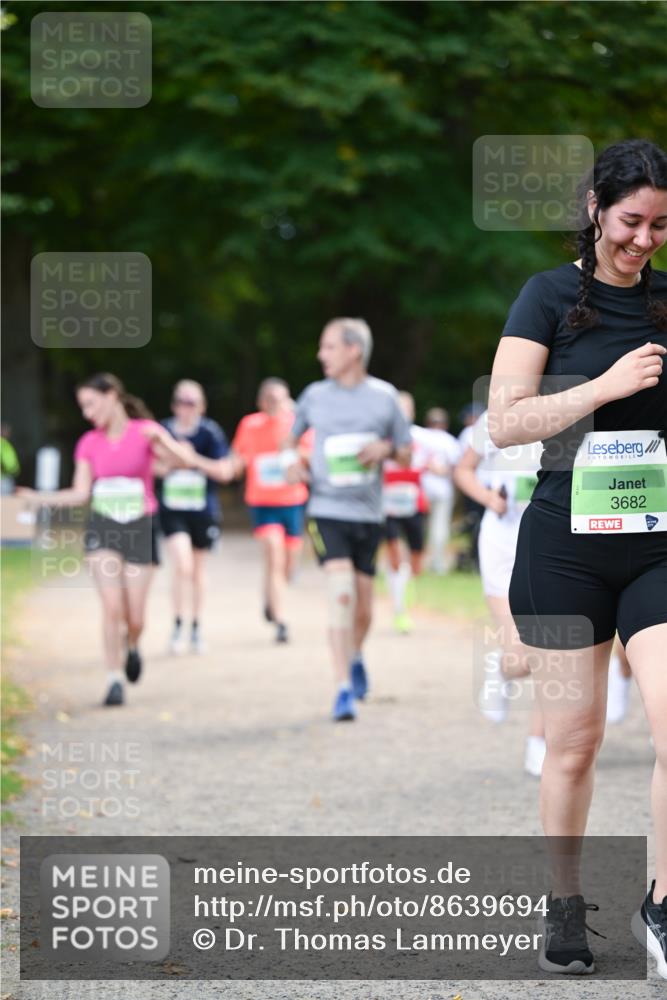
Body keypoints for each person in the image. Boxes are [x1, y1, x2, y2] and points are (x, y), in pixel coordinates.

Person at [488, 139, 667, 977]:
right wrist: (601, 388)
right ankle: (563, 901)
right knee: (573, 742)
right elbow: (504, 422)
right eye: (630, 221)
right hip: (565, 548)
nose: (643, 240)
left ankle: (660, 904)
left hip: (658, 547)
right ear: (595, 207)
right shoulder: (547, 296)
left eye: (659, 226)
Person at [18, 374, 194, 707]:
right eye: (82, 407)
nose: (87, 413)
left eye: (91, 404)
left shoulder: (146, 432)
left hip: (140, 526)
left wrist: (163, 440)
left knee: (135, 617)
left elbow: (183, 463)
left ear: (112, 396)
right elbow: (80, 492)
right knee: (111, 606)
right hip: (103, 528)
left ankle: (133, 643)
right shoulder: (89, 443)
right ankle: (113, 678)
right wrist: (38, 497)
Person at [285, 318, 412, 721]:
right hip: (326, 510)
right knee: (341, 593)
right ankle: (342, 689)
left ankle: (355, 654)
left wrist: (385, 449)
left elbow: (406, 453)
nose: (320, 355)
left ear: (353, 350)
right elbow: (290, 441)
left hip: (368, 515)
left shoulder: (384, 397)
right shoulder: (314, 396)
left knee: (363, 609)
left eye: (329, 347)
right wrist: (292, 463)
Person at [454, 408, 546, 776]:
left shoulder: (574, 409)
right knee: (522, 658)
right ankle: (503, 667)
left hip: (553, 546)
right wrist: (488, 497)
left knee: (552, 651)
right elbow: (463, 469)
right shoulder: (495, 418)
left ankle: (538, 743)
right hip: (503, 545)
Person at [193, 378, 309, 644]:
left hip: (292, 501)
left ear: (287, 400)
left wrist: (294, 451)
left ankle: (271, 598)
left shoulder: (297, 424)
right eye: (269, 399)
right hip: (263, 502)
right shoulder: (250, 424)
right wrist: (230, 467)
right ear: (260, 402)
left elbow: (312, 454)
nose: (274, 404)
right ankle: (280, 620)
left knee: (288, 565)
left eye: (278, 399)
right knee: (273, 552)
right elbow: (238, 456)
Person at [156, 380, 229, 655]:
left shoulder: (210, 432)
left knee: (197, 570)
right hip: (172, 509)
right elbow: (151, 466)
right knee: (181, 564)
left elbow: (224, 470)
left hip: (202, 510)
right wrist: (173, 461)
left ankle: (196, 626)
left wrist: (192, 459)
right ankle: (177, 623)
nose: (186, 408)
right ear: (173, 404)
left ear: (202, 406)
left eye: (192, 403)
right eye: (181, 402)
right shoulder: (162, 431)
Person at [382, 392, 434, 633]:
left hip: (415, 505)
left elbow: (442, 464)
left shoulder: (423, 438)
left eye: (406, 409)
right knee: (394, 553)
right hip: (388, 506)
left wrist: (436, 467)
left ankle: (405, 595)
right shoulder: (382, 438)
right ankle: (399, 608)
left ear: (412, 412)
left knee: (416, 561)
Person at [418, 408, 461, 575]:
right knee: (440, 526)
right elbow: (454, 467)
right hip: (443, 489)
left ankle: (418, 561)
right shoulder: (449, 440)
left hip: (423, 487)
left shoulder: (420, 436)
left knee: (420, 526)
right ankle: (437, 564)